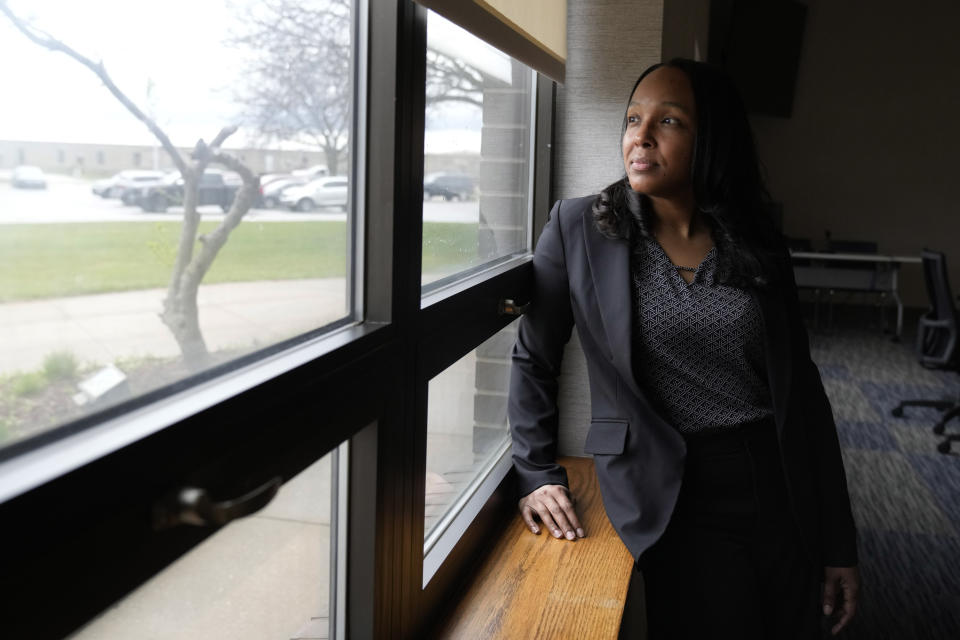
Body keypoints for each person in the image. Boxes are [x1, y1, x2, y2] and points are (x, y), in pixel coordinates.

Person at [508, 58, 860, 639]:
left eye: (668, 121)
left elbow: (805, 395)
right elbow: (534, 358)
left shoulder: (757, 239)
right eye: (632, 119)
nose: (639, 136)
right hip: (670, 484)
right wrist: (537, 471)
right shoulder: (580, 228)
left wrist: (839, 542)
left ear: (710, 140)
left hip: (774, 476)